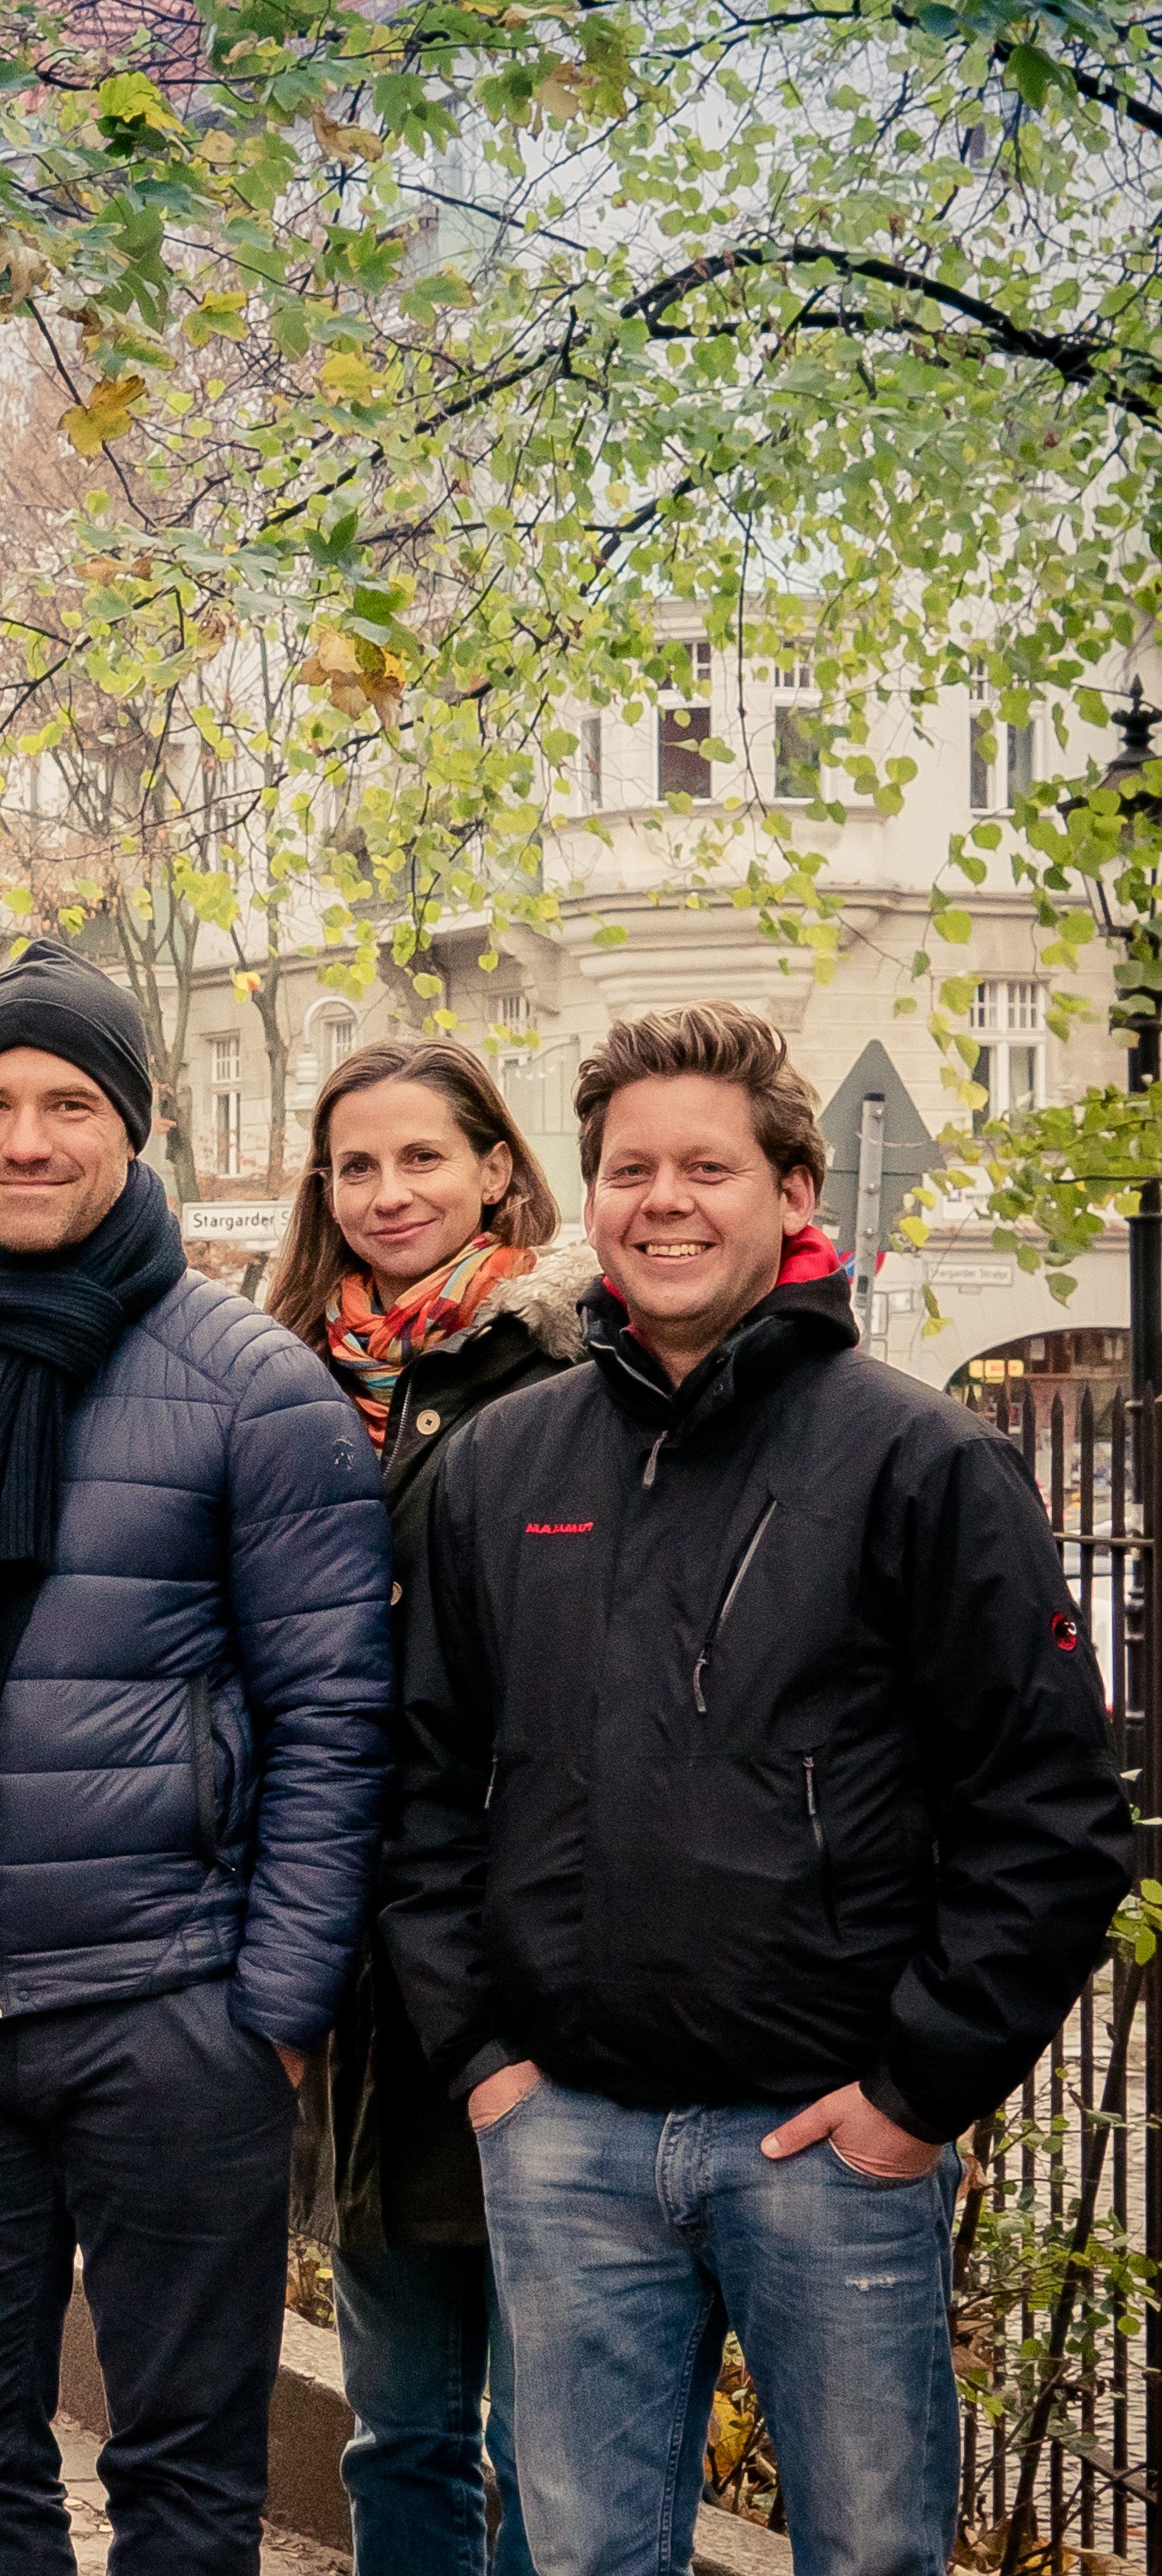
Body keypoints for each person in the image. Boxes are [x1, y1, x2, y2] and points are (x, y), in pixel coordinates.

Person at [388, 1005, 1131, 2576]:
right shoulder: (500, 1469)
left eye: (705, 1166)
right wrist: (483, 2065)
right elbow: (425, 1788)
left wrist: (914, 2095)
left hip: (827, 2147)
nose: (662, 1199)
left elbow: (1051, 1817)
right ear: (584, 1195)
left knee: (865, 2558)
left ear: (793, 1187)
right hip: (565, 2138)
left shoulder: (916, 1462)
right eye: (627, 1167)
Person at [0, 937, 394, 2576]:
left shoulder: (252, 1392)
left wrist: (266, 2010)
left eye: (67, 1101)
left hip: (166, 2022)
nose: (26, 1137)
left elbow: (335, 1723)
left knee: (185, 2480)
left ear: (132, 1126)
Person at [260, 1038, 580, 2576]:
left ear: (495, 1169)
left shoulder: (563, 1366)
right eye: (355, 1165)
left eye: (421, 1159)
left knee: (552, 2439)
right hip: (357, 1976)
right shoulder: (287, 1372)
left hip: (523, 1968)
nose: (387, 1193)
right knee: (398, 2430)